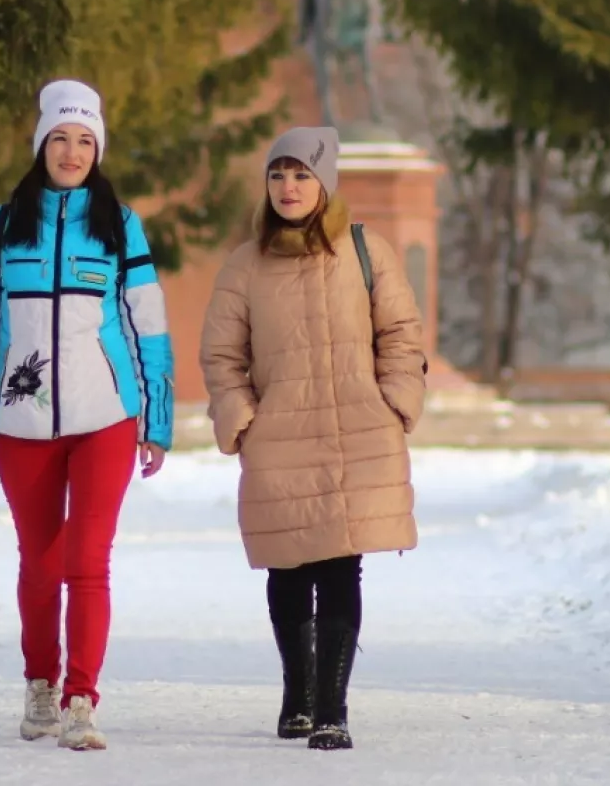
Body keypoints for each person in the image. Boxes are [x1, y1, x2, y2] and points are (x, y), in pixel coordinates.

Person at [0, 78, 174, 752]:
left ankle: (82, 698)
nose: (72, 151)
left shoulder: (119, 223)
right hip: (22, 422)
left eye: (85, 141)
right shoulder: (2, 222)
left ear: (97, 149)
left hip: (106, 417)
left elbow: (149, 325)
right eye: (61, 138)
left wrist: (156, 418)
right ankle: (40, 684)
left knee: (87, 560)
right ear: (41, 144)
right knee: (39, 564)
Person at [199, 126, 426, 751]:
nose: (288, 187)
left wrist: (398, 399)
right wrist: (240, 415)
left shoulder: (364, 250)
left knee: (341, 566)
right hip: (280, 436)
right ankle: (297, 694)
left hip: (357, 430)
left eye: (301, 174)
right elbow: (222, 355)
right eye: (278, 175)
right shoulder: (246, 264)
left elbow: (402, 333)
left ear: (325, 182)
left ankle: (333, 708)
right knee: (289, 566)